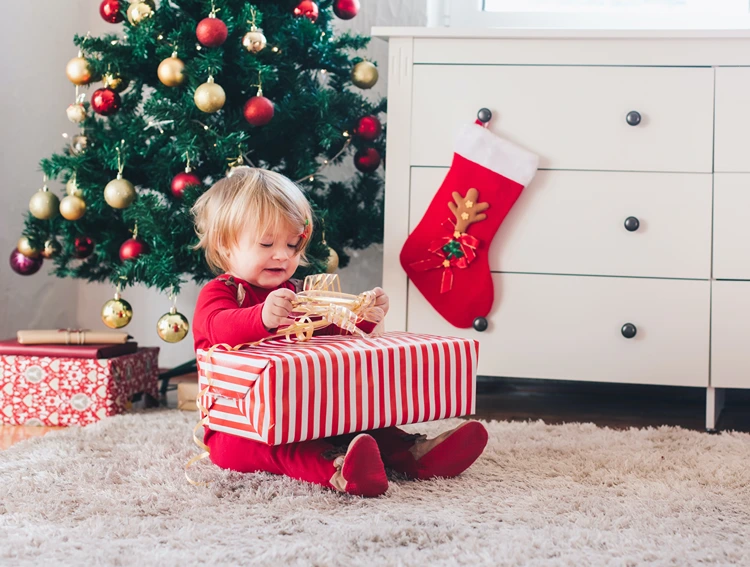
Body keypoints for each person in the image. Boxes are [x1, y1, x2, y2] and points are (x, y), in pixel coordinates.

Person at [190, 167, 488, 497]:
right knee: (287, 449)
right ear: (225, 245)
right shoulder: (222, 292)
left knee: (365, 424)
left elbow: (332, 331)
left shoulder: (300, 291)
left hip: (306, 409)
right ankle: (340, 471)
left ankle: (416, 454)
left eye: (292, 244)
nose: (283, 255)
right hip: (241, 429)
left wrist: (364, 317)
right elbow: (218, 326)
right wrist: (261, 316)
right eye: (266, 243)